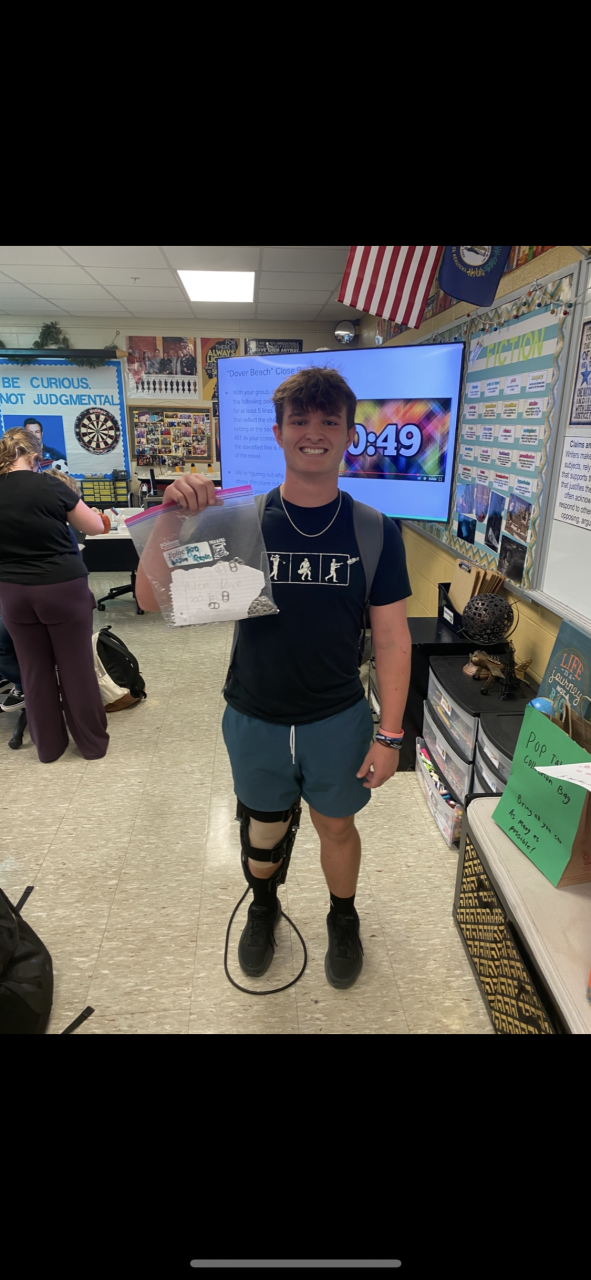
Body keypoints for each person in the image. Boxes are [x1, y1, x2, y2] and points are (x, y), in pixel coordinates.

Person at [136, 366, 412, 990]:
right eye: (300, 421)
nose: (314, 433)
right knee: (263, 828)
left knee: (336, 825)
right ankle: (264, 908)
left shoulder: (375, 531)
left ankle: (343, 917)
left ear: (349, 435)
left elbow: (394, 640)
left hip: (337, 717)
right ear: (278, 432)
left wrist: (390, 734)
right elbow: (152, 599)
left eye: (329, 421)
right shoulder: (242, 522)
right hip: (254, 711)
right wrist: (171, 516)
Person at [0, 428, 110, 763]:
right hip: (61, 588)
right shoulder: (49, 485)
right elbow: (93, 527)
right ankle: (92, 745)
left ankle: (48, 748)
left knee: (34, 671)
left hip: (12, 592)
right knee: (76, 668)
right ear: (35, 457)